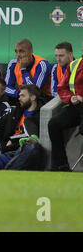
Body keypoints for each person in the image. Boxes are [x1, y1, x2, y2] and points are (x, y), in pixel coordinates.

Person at [48, 43, 83, 171]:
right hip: (76, 106)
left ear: (70, 54)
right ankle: (61, 165)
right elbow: (61, 88)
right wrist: (70, 97)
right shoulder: (74, 65)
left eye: (61, 55)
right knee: (54, 124)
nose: (58, 59)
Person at [2, 84, 43, 151]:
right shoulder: (16, 110)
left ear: (33, 97)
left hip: (21, 148)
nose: (19, 98)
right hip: (6, 144)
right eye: (19, 96)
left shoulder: (39, 116)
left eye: (23, 96)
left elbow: (32, 137)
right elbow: (1, 123)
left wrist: (12, 140)